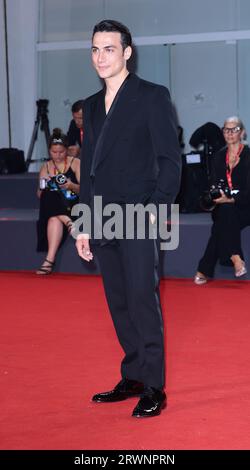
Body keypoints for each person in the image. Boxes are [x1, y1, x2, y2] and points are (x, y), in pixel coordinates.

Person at [75, 20, 181, 418]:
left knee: (142, 299)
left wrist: (155, 211)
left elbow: (170, 161)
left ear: (127, 53)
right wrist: (83, 222)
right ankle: (133, 375)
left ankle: (154, 385)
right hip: (101, 215)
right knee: (118, 302)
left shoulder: (152, 96)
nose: (100, 57)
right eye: (95, 49)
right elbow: (88, 169)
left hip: (138, 215)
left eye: (109, 49)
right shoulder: (89, 104)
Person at [194, 116, 250, 284]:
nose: (230, 133)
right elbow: (213, 185)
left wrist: (231, 199)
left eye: (234, 129)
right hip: (223, 206)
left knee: (221, 224)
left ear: (243, 133)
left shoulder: (248, 156)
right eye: (226, 129)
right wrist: (216, 197)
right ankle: (235, 257)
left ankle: (206, 268)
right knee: (225, 212)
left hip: (245, 206)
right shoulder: (219, 157)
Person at [36, 128, 80, 274]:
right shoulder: (46, 167)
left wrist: (70, 185)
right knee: (52, 214)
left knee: (53, 197)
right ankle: (50, 259)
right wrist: (46, 184)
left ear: (66, 149)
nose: (58, 155)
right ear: (49, 151)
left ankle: (48, 262)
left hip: (73, 203)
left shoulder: (75, 163)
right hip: (54, 208)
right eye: (54, 152)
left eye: (61, 152)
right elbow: (39, 194)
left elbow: (85, 189)